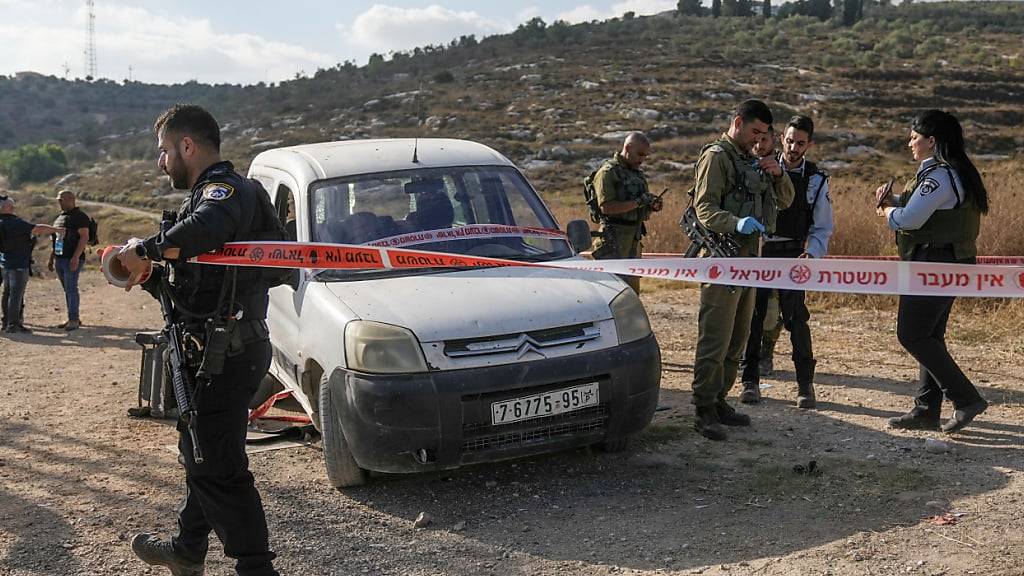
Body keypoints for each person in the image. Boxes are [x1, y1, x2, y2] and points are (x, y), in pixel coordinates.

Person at [115, 104, 283, 576]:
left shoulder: (223, 192)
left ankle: (255, 568)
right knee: (203, 452)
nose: (161, 162)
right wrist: (152, 272)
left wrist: (147, 247)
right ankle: (188, 549)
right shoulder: (210, 198)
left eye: (165, 151)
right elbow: (198, 281)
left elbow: (212, 225)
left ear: (187, 146)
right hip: (215, 350)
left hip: (225, 353)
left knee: (217, 466)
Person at [876, 109, 989, 434]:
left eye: (915, 137)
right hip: (946, 262)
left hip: (932, 263)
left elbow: (910, 220)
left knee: (911, 334)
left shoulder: (938, 176)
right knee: (930, 335)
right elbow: (933, 210)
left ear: (932, 141)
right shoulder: (954, 173)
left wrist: (887, 211)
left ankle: (966, 399)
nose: (910, 143)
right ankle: (927, 409)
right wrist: (897, 201)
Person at [689, 99, 795, 441]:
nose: (759, 139)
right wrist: (737, 222)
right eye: (754, 131)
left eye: (765, 135)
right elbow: (704, 208)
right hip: (722, 260)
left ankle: (720, 400)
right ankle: (703, 408)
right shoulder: (718, 157)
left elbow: (788, 200)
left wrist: (778, 173)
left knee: (738, 339)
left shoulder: (753, 160)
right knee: (715, 338)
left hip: (750, 262)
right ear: (738, 122)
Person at [739, 115, 834, 408]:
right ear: (782, 138)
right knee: (754, 318)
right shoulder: (762, 167)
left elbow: (822, 225)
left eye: (800, 143)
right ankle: (749, 381)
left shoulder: (817, 180)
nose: (794, 147)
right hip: (761, 252)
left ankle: (805, 385)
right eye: (790, 140)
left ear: (810, 144)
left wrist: (812, 254)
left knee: (796, 320)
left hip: (793, 256)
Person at [589, 131, 664, 293]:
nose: (642, 159)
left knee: (631, 293)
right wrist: (639, 202)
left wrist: (652, 205)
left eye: (646, 156)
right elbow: (607, 207)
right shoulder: (608, 173)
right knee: (611, 292)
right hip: (613, 240)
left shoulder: (636, 173)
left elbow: (640, 205)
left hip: (633, 239)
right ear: (628, 147)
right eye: (640, 154)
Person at [0, 194, 63, 333]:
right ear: (7, 207)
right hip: (18, 263)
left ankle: (6, 322)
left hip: (5, 263)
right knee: (16, 295)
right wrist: (57, 230)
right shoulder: (15, 223)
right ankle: (13, 324)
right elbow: (37, 228)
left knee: (7, 293)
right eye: (11, 204)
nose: (13, 206)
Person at [48, 189, 91, 331]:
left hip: (72, 259)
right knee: (67, 289)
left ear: (71, 200)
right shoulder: (59, 218)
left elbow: (84, 237)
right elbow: (57, 240)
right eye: (58, 200)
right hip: (60, 258)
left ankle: (73, 319)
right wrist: (52, 257)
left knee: (71, 288)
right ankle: (73, 318)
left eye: (61, 200)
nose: (59, 202)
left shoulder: (80, 217)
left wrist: (75, 257)